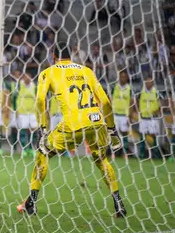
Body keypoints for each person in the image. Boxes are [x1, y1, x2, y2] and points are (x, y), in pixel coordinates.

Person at [17, 43, 127, 218]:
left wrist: (43, 129)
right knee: (102, 161)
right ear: (71, 56)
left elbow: (40, 101)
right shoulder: (87, 71)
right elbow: (105, 102)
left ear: (53, 57)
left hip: (73, 124)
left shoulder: (49, 72)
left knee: (43, 152)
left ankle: (31, 203)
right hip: (97, 121)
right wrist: (112, 130)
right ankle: (118, 203)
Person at [9, 72, 38, 155]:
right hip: (22, 112)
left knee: (33, 130)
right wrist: (16, 110)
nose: (27, 79)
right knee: (22, 130)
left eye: (29, 77)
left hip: (32, 112)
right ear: (23, 77)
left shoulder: (34, 86)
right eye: (25, 77)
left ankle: (31, 148)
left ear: (31, 77)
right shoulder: (19, 86)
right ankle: (23, 149)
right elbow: (14, 98)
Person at [137, 76, 164, 159]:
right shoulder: (141, 92)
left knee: (153, 135)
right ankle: (141, 154)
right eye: (147, 82)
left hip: (153, 118)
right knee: (142, 135)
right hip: (143, 117)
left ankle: (156, 153)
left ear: (152, 83)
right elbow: (136, 101)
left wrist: (158, 110)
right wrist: (139, 110)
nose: (149, 83)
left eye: (150, 82)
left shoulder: (156, 92)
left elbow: (162, 102)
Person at [112, 70, 135, 159]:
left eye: (124, 77)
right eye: (121, 76)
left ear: (127, 78)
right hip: (115, 114)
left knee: (124, 134)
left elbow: (131, 103)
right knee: (113, 134)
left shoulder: (129, 89)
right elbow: (110, 99)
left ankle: (125, 153)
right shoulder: (114, 87)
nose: (123, 78)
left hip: (124, 116)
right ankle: (114, 153)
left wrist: (130, 116)